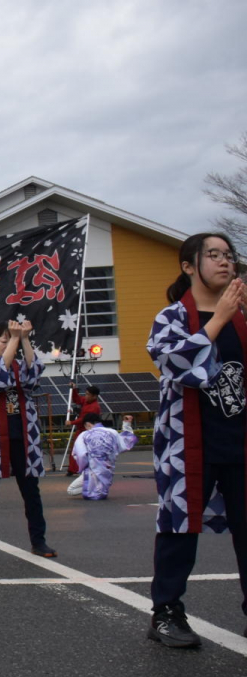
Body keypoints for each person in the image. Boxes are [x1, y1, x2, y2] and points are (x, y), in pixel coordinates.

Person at [146, 232, 247, 648]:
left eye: (229, 255)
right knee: (178, 528)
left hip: (239, 440)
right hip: (185, 444)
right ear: (189, 266)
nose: (225, 262)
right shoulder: (171, 316)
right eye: (214, 255)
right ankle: (166, 612)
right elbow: (179, 365)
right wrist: (219, 317)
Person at [0, 320, 55, 560]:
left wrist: (26, 338)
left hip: (24, 436)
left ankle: (39, 541)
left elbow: (36, 372)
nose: (9, 344)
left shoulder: (22, 364)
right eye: (4, 340)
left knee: (31, 492)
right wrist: (16, 339)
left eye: (12, 340)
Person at [67, 414, 137, 500]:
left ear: (88, 424)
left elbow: (80, 454)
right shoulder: (112, 432)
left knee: (71, 490)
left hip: (92, 468)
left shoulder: (84, 435)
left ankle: (93, 489)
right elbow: (126, 442)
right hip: (108, 467)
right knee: (101, 486)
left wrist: (83, 467)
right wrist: (126, 425)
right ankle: (98, 489)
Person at [65, 383, 103, 475]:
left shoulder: (95, 407)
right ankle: (73, 469)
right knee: (76, 450)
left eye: (88, 394)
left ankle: (82, 468)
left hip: (88, 432)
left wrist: (71, 422)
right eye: (85, 393)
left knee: (84, 451)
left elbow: (84, 419)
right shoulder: (86, 401)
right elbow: (77, 399)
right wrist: (73, 390)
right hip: (81, 430)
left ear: (94, 396)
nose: (86, 396)